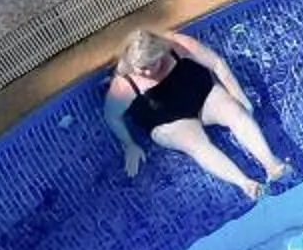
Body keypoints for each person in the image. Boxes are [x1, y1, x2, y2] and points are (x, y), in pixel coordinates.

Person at [105, 25, 292, 203]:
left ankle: (272, 165)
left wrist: (238, 95)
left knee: (237, 114)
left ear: (161, 50)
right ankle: (246, 184)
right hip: (168, 121)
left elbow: (217, 63)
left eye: (154, 63)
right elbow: (112, 116)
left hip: (203, 96)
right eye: (142, 68)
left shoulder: (177, 45)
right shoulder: (124, 85)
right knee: (196, 145)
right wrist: (129, 144)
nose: (149, 71)